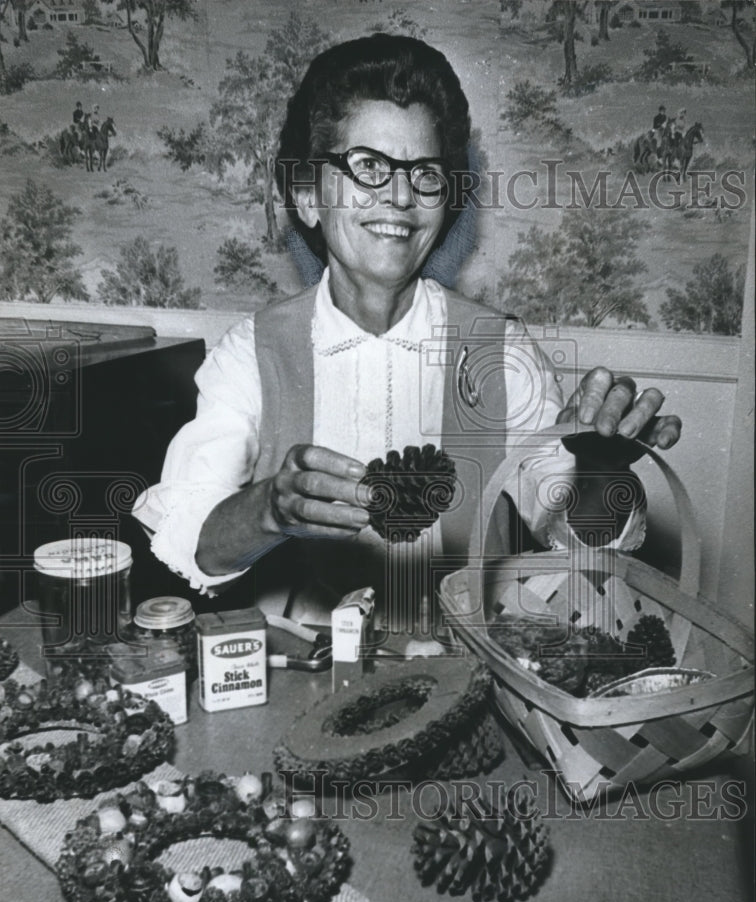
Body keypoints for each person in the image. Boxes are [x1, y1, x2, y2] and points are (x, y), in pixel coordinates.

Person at [133, 34, 680, 631]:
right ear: (308, 196)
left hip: (475, 666)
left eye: (424, 174)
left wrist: (599, 470)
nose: (399, 196)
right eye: (368, 166)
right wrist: (269, 507)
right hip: (310, 667)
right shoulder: (252, 352)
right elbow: (193, 541)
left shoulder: (501, 352)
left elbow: (577, 539)